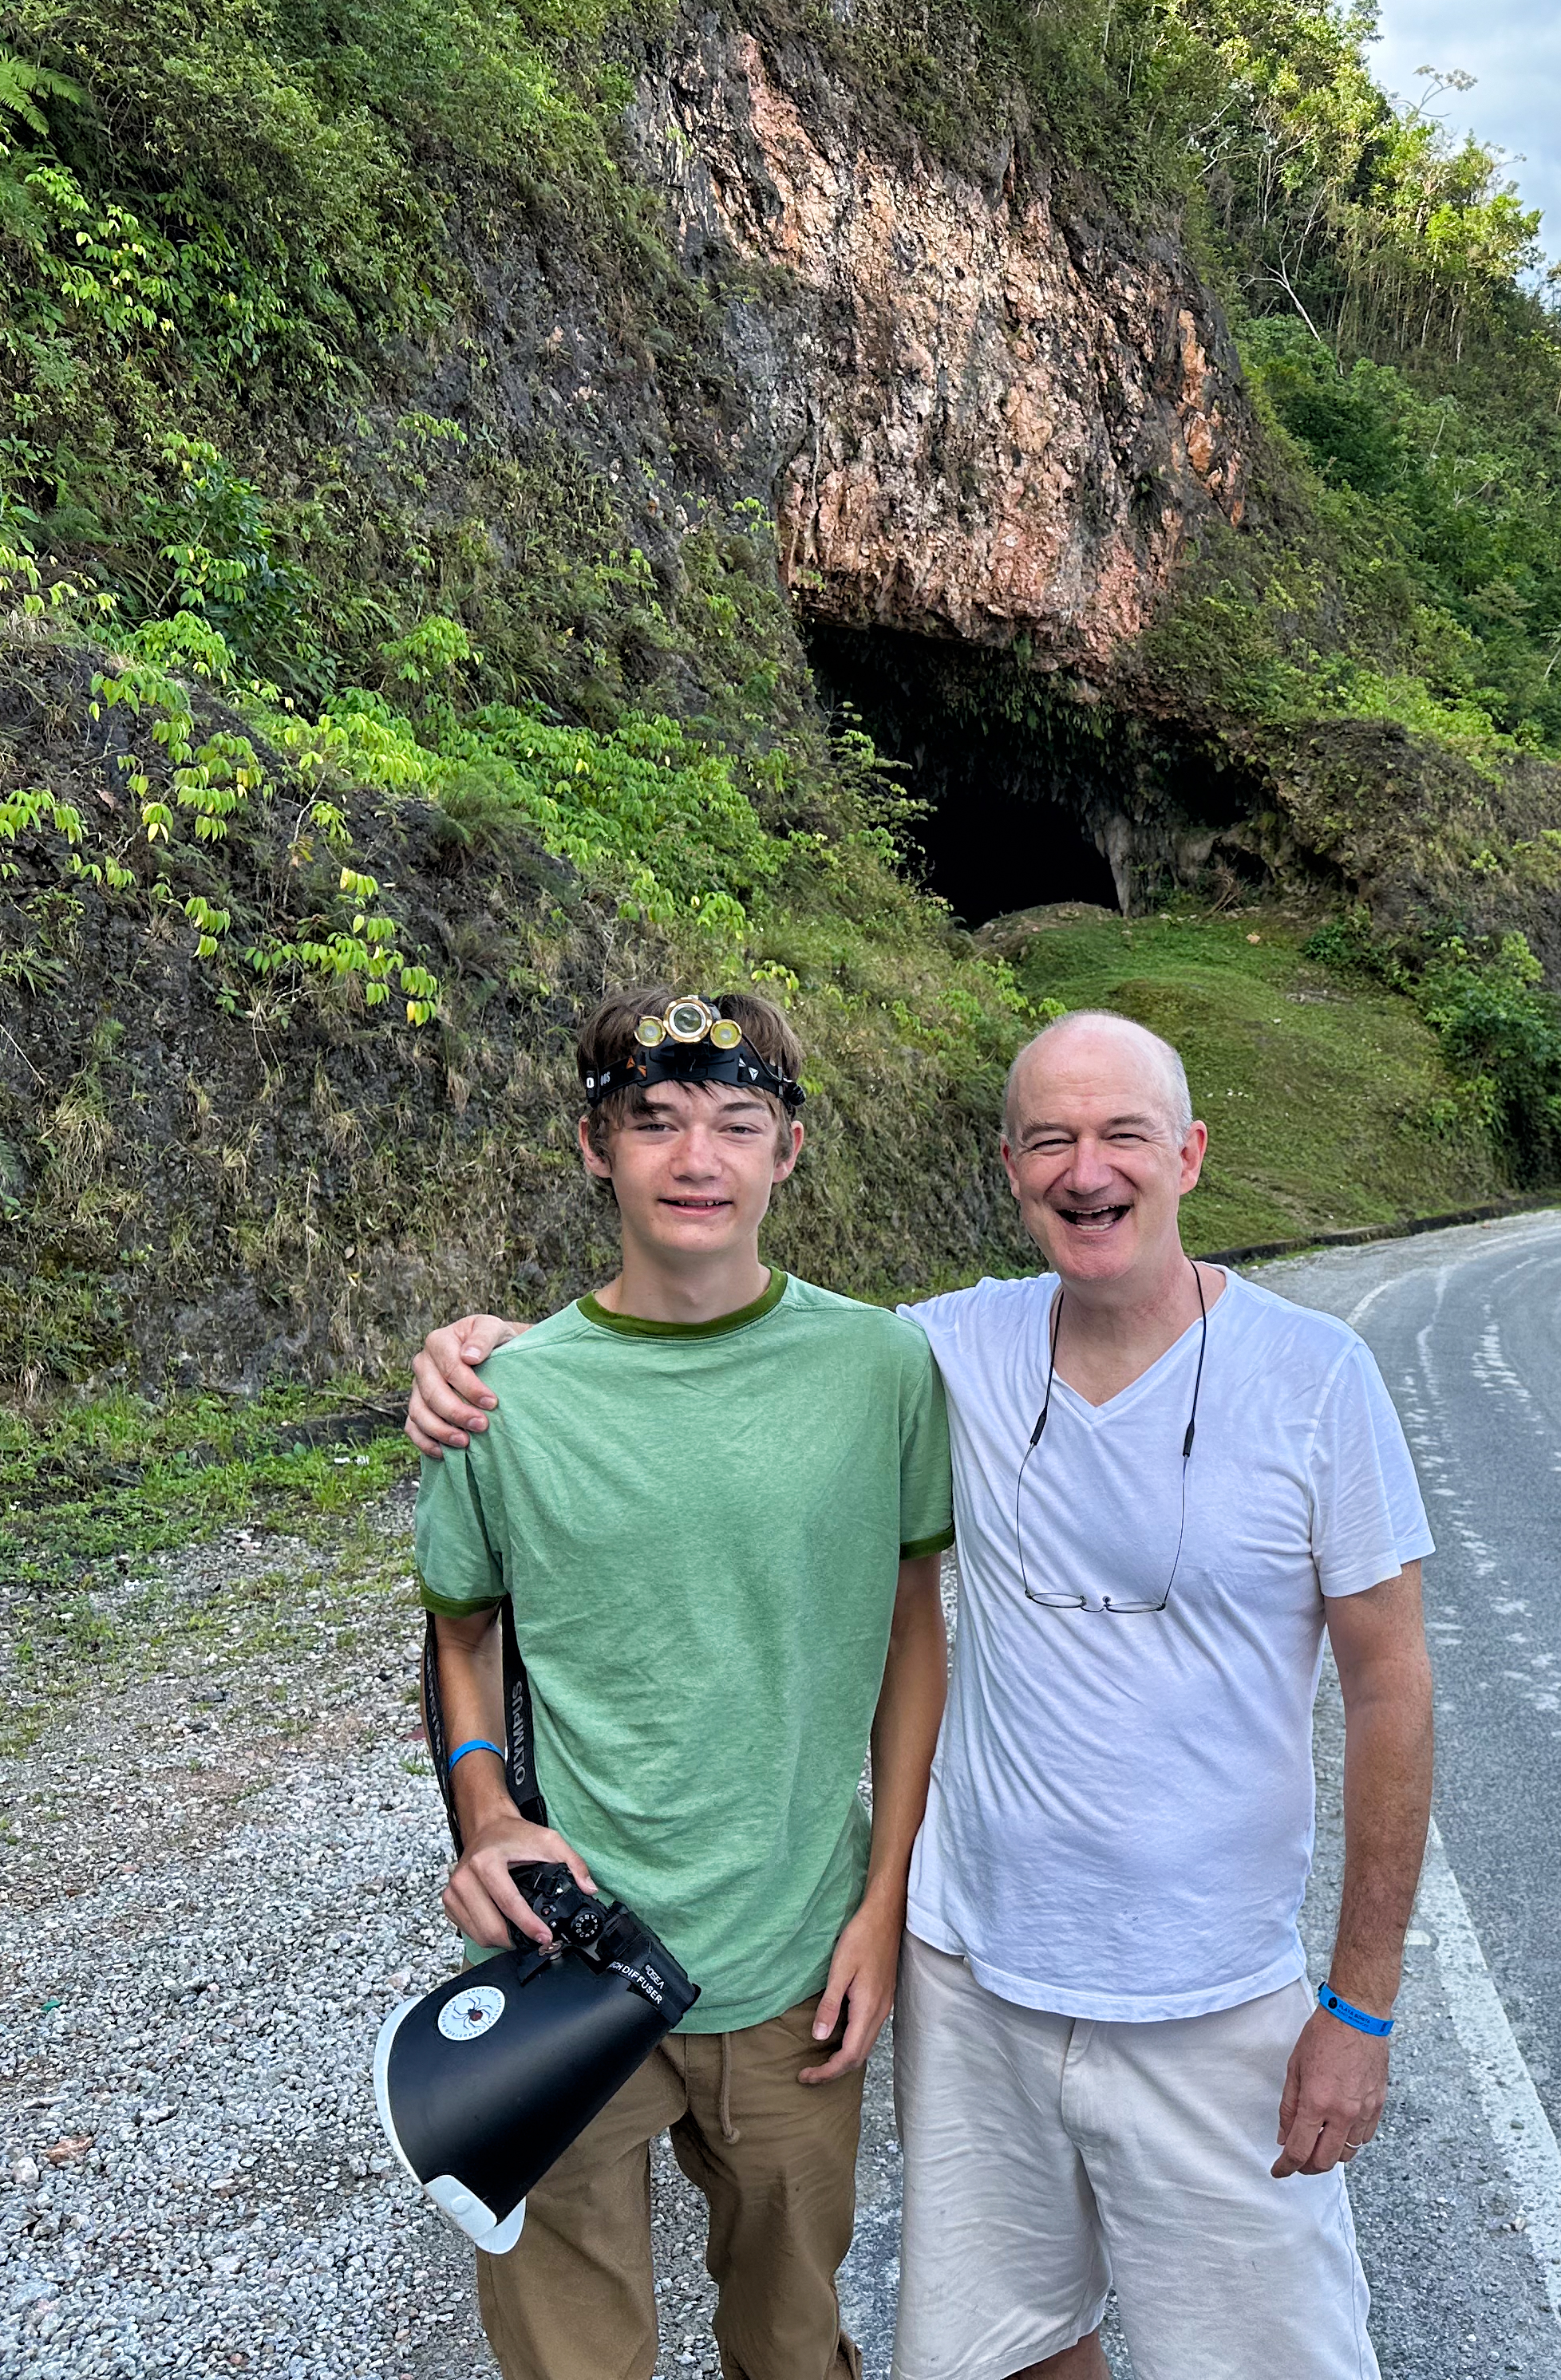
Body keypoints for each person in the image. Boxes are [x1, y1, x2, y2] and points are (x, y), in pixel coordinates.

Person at [408, 1008, 1437, 2380]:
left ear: (1189, 1152)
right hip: (921, 1982)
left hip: (1172, 1991)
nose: (1089, 1171)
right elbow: (502, 1575)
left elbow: (1388, 1690)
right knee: (1001, 2344)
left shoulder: (1281, 1378)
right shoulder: (920, 1353)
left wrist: (1361, 2008)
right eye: (1052, 1140)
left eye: (1125, 1134)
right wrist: (487, 1354)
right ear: (1008, 1167)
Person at [414, 985, 954, 2380]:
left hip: (795, 1957)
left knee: (790, 2338)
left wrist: (882, 1904)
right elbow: (463, 1634)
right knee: (569, 2358)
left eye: (736, 1121)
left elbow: (911, 1627)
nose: (695, 1158)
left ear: (788, 1150)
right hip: (559, 1962)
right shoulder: (502, 1396)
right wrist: (486, 1823)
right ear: (597, 1149)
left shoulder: (881, 1370)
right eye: (653, 1121)